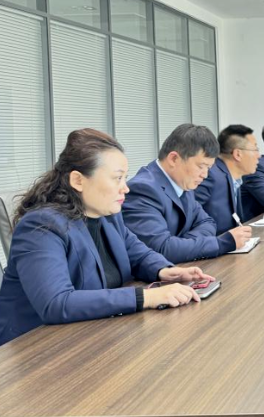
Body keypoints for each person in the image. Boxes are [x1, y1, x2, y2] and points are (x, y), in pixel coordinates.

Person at [0, 129, 214, 346]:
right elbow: (56, 302)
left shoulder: (107, 215)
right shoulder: (41, 226)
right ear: (78, 180)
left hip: (93, 335)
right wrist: (146, 297)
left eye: (125, 178)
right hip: (35, 348)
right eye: (117, 178)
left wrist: (164, 270)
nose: (125, 188)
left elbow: (137, 253)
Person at [123, 124, 252, 263]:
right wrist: (222, 243)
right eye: (201, 166)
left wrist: (182, 245)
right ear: (174, 159)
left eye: (208, 168)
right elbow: (161, 249)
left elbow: (207, 222)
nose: (205, 175)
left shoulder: (182, 182)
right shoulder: (142, 189)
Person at [196, 124, 261, 232]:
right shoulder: (210, 175)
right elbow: (188, 216)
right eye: (255, 149)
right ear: (238, 154)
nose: (259, 155)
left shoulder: (233, 177)